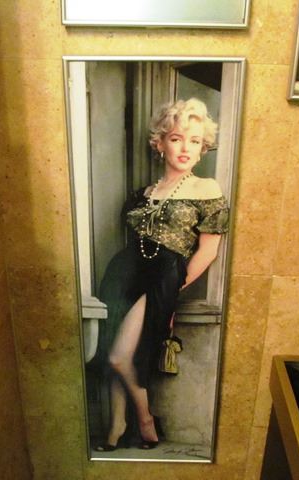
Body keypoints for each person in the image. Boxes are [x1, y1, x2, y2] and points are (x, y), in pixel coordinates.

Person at [94, 98, 229, 451]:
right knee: (111, 347)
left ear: (203, 148)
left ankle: (145, 419)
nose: (186, 148)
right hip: (124, 271)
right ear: (160, 143)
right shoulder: (144, 193)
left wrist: (171, 289)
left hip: (164, 275)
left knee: (121, 355)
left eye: (195, 141)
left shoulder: (207, 189)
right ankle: (116, 426)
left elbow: (208, 251)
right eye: (177, 138)